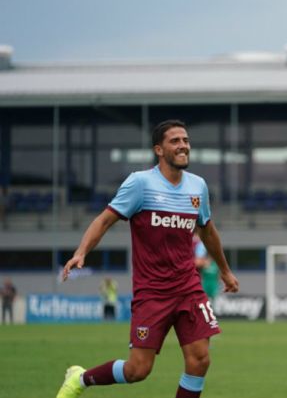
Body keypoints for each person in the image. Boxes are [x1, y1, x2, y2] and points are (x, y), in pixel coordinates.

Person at [56, 119, 239, 398]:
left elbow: (208, 230)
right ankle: (81, 378)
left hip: (188, 287)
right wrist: (81, 252)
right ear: (159, 149)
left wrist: (225, 270)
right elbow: (105, 220)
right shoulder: (140, 183)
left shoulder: (197, 186)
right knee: (138, 370)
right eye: (175, 141)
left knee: (200, 358)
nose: (183, 146)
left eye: (186, 140)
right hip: (152, 292)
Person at [193, 235, 220, 304]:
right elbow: (197, 263)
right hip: (204, 286)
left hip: (213, 286)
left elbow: (218, 276)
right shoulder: (197, 245)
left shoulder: (215, 264)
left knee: (212, 303)